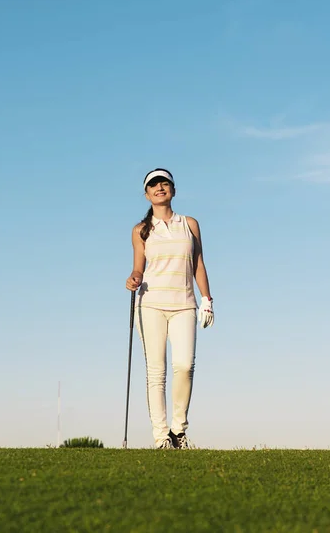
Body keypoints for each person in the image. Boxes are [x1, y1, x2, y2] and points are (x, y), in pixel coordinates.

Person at [125, 168, 214, 449]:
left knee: (185, 366)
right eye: (153, 185)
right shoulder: (140, 230)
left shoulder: (189, 224)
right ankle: (161, 436)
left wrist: (207, 300)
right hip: (150, 304)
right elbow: (139, 266)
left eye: (164, 183)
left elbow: (197, 263)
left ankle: (179, 430)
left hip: (184, 304)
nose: (159, 187)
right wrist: (134, 278)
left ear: (173, 190)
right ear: (147, 194)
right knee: (156, 371)